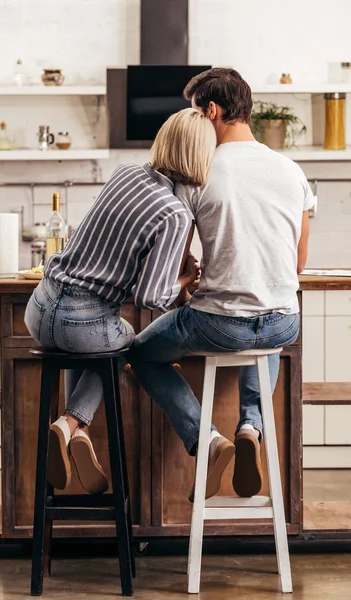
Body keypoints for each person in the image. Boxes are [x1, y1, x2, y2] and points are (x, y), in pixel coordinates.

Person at [129, 67, 314, 501]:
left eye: (195, 112)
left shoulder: (197, 172)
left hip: (218, 323)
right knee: (265, 332)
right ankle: (251, 426)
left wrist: (191, 276)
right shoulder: (290, 170)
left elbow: (174, 254)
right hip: (285, 320)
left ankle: (208, 441)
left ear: (211, 110)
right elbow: (299, 261)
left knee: (140, 354)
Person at [24, 107, 216, 493]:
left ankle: (76, 435)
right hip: (83, 323)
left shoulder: (125, 172)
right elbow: (150, 297)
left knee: (95, 346)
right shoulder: (174, 214)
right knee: (128, 343)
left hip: (40, 307)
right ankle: (68, 424)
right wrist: (185, 278)